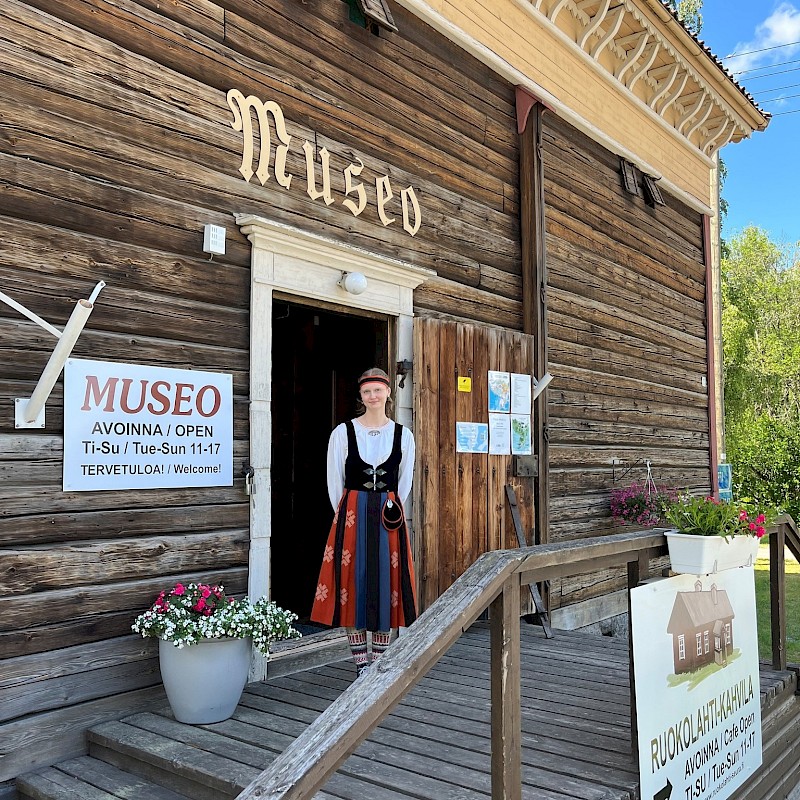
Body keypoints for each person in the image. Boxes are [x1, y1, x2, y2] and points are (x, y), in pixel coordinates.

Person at [310, 367, 417, 676]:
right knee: (352, 585)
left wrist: (389, 505)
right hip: (352, 516)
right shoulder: (343, 433)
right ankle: (361, 665)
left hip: (388, 517)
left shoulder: (403, 435)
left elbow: (404, 482)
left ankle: (379, 662)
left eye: (377, 390)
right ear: (361, 395)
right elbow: (334, 480)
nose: (373, 396)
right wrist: (346, 512)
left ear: (388, 393)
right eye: (367, 391)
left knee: (386, 585)